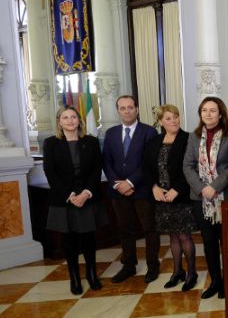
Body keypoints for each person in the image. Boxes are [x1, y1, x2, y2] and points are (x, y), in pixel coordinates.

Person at [43, 107, 107, 295]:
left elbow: (97, 169)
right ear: (59, 122)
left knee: (89, 239)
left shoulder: (91, 142)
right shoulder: (51, 143)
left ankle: (91, 274)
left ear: (79, 121)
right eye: (65, 117)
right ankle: (74, 277)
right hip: (65, 199)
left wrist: (86, 193)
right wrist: (69, 195)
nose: (70, 120)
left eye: (73, 117)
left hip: (87, 197)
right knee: (69, 240)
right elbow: (50, 173)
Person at [183, 96, 228, 299]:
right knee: (208, 242)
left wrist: (214, 186)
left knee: (227, 242)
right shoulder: (194, 136)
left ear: (221, 114)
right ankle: (216, 281)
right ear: (200, 114)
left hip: (226, 196)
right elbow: (187, 166)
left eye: (213, 110)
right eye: (204, 110)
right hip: (201, 199)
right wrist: (202, 188)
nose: (208, 114)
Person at [103, 95, 159, 283]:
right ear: (118, 110)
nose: (127, 111)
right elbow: (106, 162)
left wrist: (131, 182)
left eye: (130, 107)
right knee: (125, 229)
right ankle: (129, 266)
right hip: (118, 191)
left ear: (137, 109)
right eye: (122, 108)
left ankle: (153, 266)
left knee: (149, 229)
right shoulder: (110, 133)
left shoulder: (149, 132)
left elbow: (149, 162)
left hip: (142, 189)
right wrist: (117, 184)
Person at [143, 105, 198, 291]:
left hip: (181, 196)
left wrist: (178, 189)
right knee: (172, 236)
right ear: (160, 122)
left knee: (184, 235)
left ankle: (192, 273)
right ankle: (177, 272)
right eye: (168, 118)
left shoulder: (189, 138)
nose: (173, 121)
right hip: (161, 198)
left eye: (175, 117)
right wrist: (154, 187)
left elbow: (192, 168)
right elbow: (147, 169)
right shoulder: (153, 142)